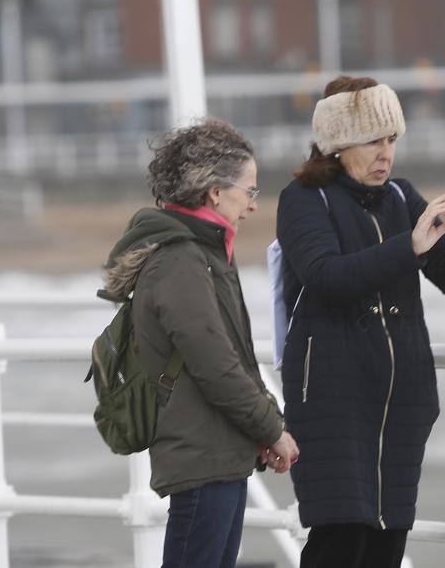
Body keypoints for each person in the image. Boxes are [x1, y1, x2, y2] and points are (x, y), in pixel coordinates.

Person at [275, 76, 445, 568]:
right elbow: (326, 276)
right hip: (331, 397)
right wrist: (408, 245)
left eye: (392, 139)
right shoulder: (304, 200)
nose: (385, 153)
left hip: (400, 398)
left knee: (386, 542)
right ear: (336, 144)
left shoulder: (401, 196)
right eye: (373, 139)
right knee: (340, 539)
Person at [100, 119, 299, 568]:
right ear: (214, 192)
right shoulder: (181, 262)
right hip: (202, 460)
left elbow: (236, 358)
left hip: (221, 454)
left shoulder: (206, 256)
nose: (252, 205)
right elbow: (217, 366)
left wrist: (262, 429)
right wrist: (271, 429)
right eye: (249, 191)